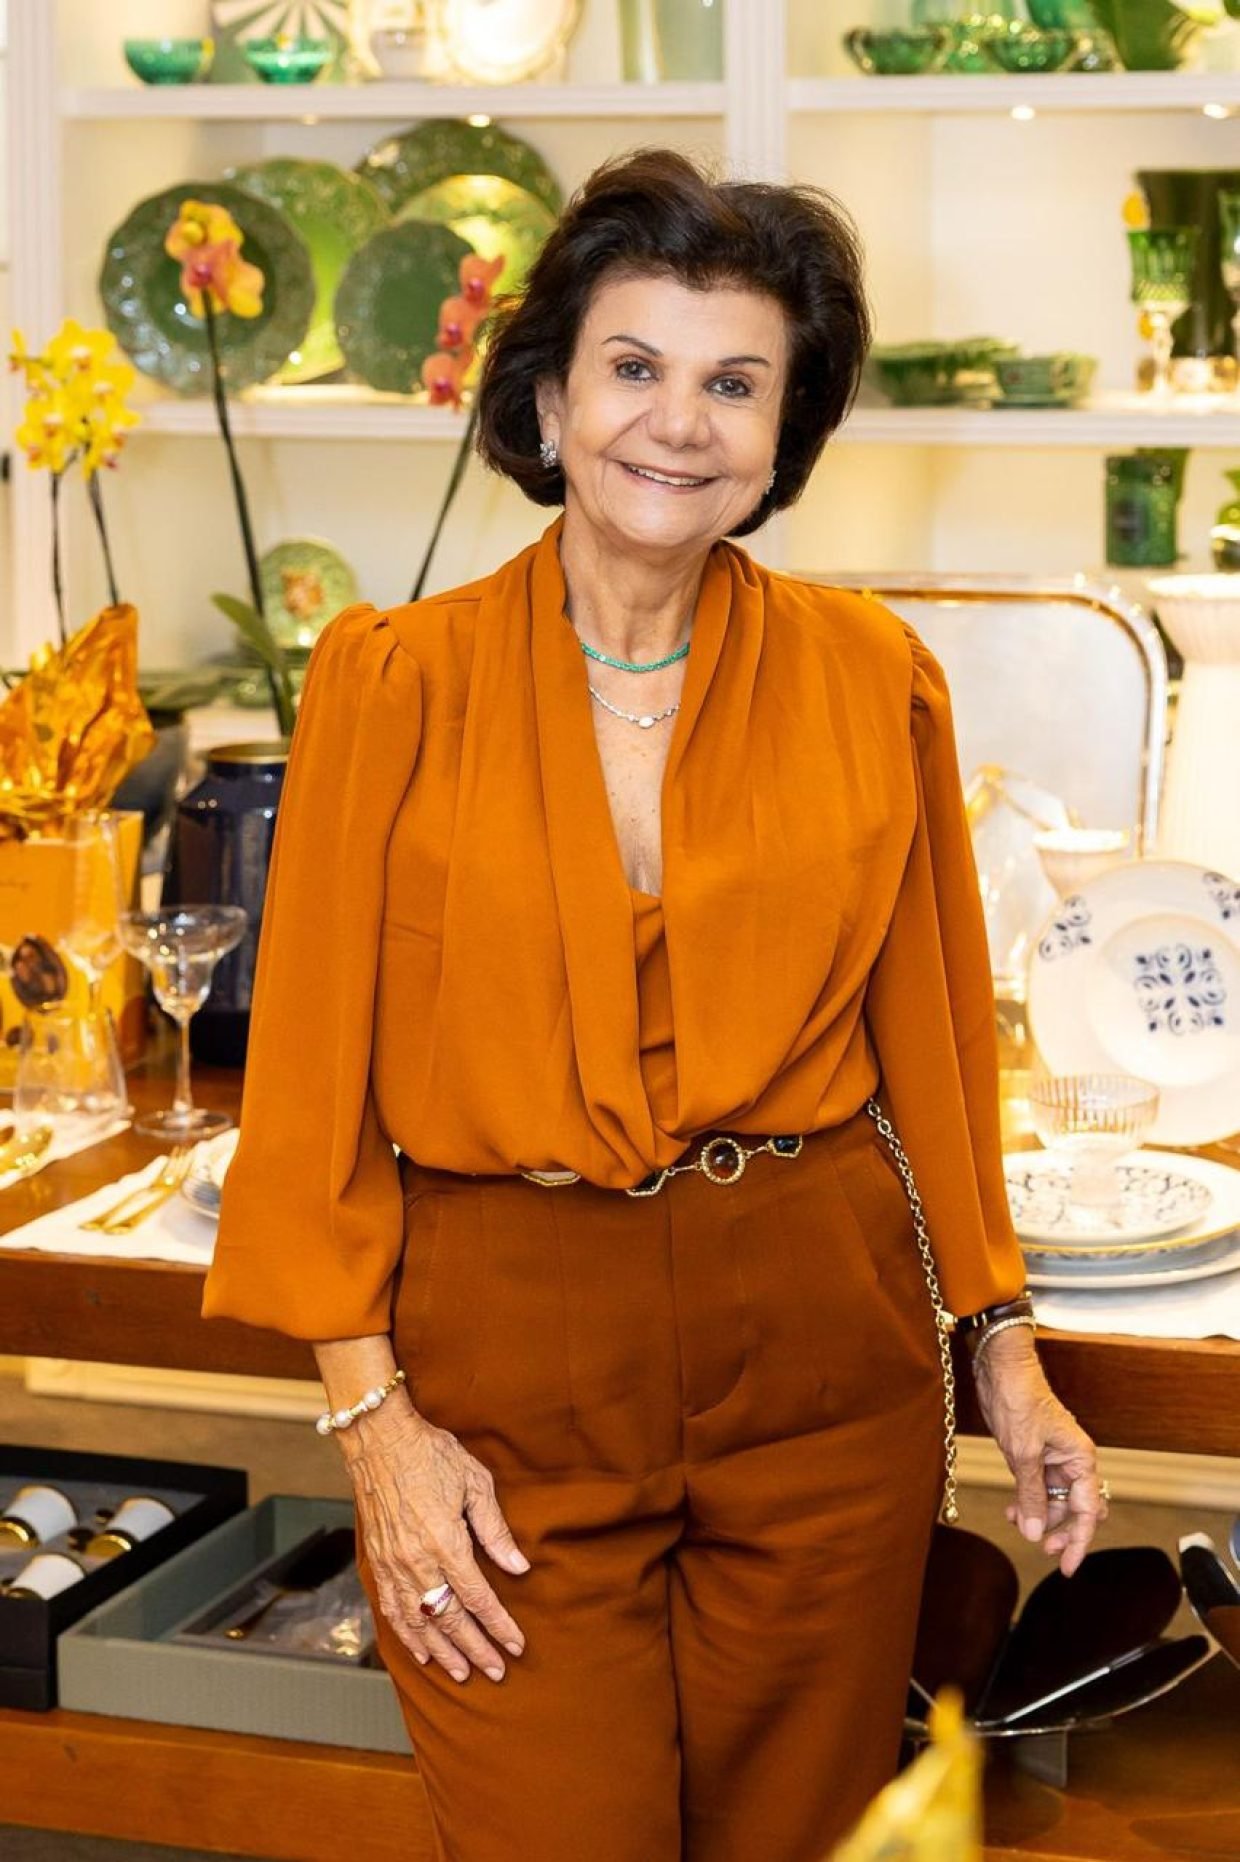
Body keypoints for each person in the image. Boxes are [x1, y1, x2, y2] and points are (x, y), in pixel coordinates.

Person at [203, 147, 1106, 1862]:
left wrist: (1004, 1348)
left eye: (734, 382)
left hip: (823, 1348)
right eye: (634, 366)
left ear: (783, 432)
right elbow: (309, 1086)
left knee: (805, 1840)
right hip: (503, 1370)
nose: (677, 423)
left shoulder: (873, 677)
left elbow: (932, 1042)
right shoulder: (394, 682)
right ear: (550, 399)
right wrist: (373, 1425)